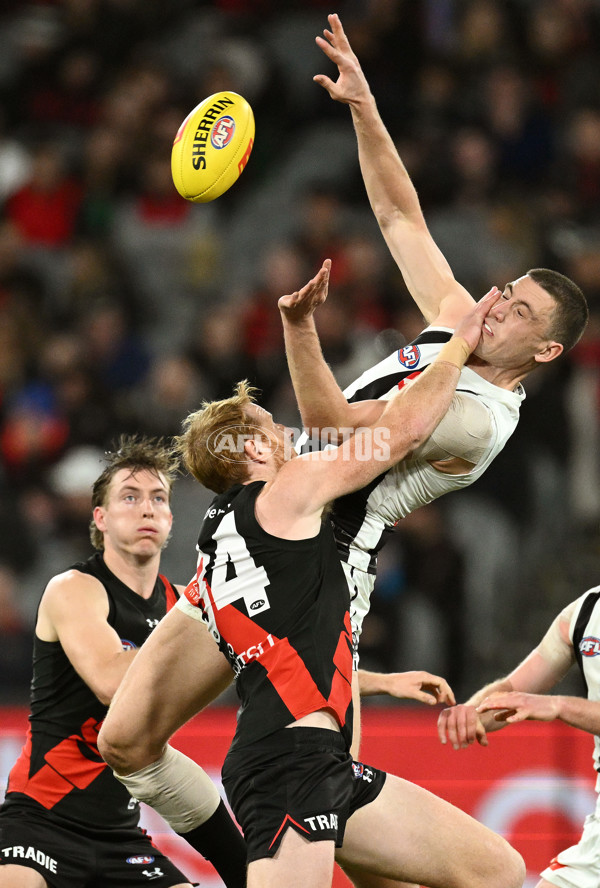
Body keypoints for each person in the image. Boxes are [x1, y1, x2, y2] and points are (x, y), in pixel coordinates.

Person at [98, 263, 525, 888]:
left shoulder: (218, 549)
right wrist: (459, 342)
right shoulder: (293, 490)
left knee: (498, 870)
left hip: (317, 757)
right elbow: (403, 432)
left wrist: (373, 680)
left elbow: (275, 649)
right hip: (286, 761)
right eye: (276, 428)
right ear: (252, 453)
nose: (295, 432)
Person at [276, 13, 588, 748]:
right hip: (281, 520)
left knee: (318, 783)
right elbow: (397, 216)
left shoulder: (477, 417)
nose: (493, 306)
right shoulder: (461, 324)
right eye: (503, 290)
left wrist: (298, 331)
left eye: (516, 312)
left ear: (543, 352)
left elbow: (334, 425)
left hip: (327, 554)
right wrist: (365, 108)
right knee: (134, 734)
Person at [0, 436, 246, 888]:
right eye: (129, 498)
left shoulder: (180, 605)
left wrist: (358, 680)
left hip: (121, 835)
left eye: (158, 499)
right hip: (39, 822)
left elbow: (265, 662)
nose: (146, 509)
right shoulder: (73, 589)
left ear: (171, 519)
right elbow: (112, 684)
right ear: (101, 519)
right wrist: (212, 641)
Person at [437, 582, 600, 888]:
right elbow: (514, 690)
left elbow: (546, 703)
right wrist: (473, 713)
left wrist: (558, 705)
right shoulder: (585, 613)